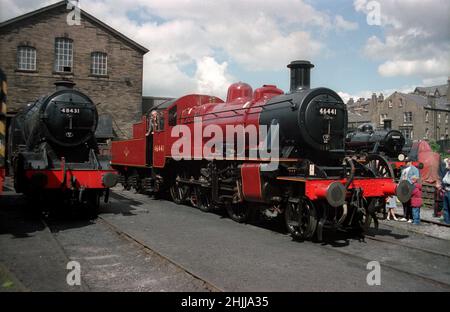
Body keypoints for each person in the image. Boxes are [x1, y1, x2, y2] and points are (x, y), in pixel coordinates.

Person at [439, 158, 450, 224]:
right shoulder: (447, 172)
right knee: (446, 208)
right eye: (448, 163)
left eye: (449, 164)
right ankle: (447, 222)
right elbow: (443, 180)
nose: (448, 164)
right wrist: (441, 186)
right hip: (446, 191)